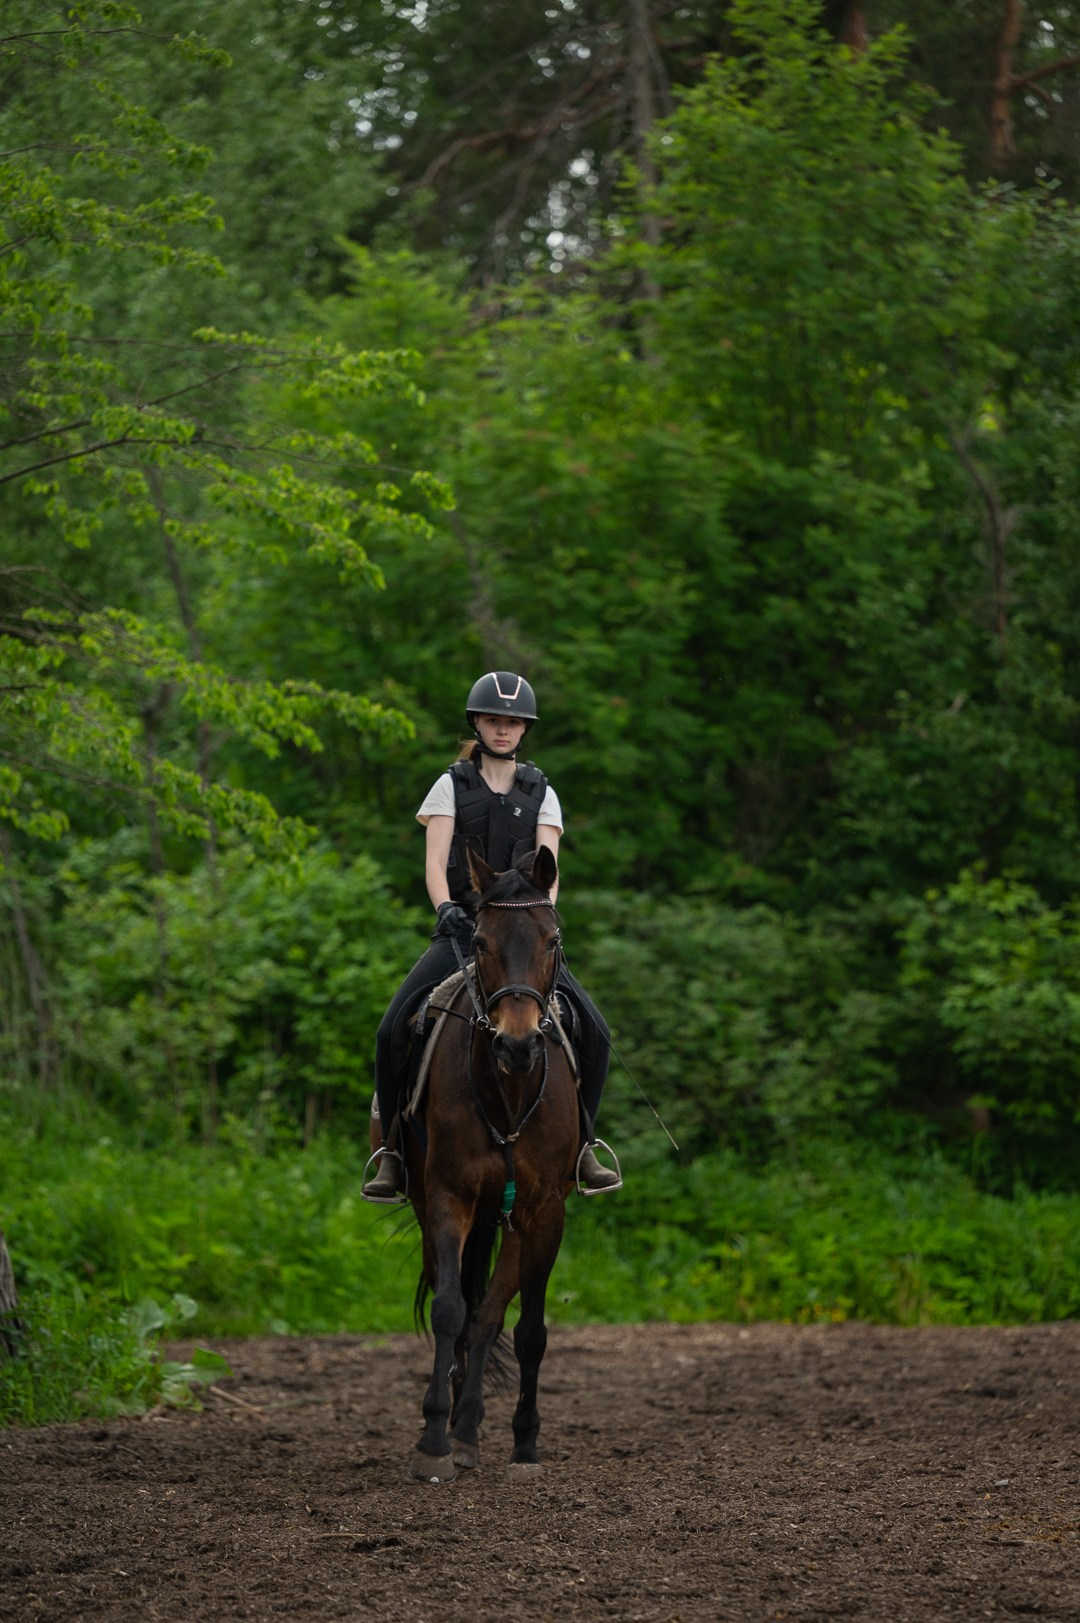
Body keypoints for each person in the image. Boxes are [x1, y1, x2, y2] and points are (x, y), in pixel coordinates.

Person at [363, 670, 621, 1202]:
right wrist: (447, 909)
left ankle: (585, 1146)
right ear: (477, 724)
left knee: (596, 1030)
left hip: (525, 939)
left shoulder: (541, 791)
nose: (503, 730)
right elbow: (435, 862)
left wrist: (540, 922)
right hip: (465, 933)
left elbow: (549, 865)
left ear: (523, 729)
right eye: (493, 721)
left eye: (512, 723)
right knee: (392, 1029)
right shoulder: (450, 785)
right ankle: (390, 1152)